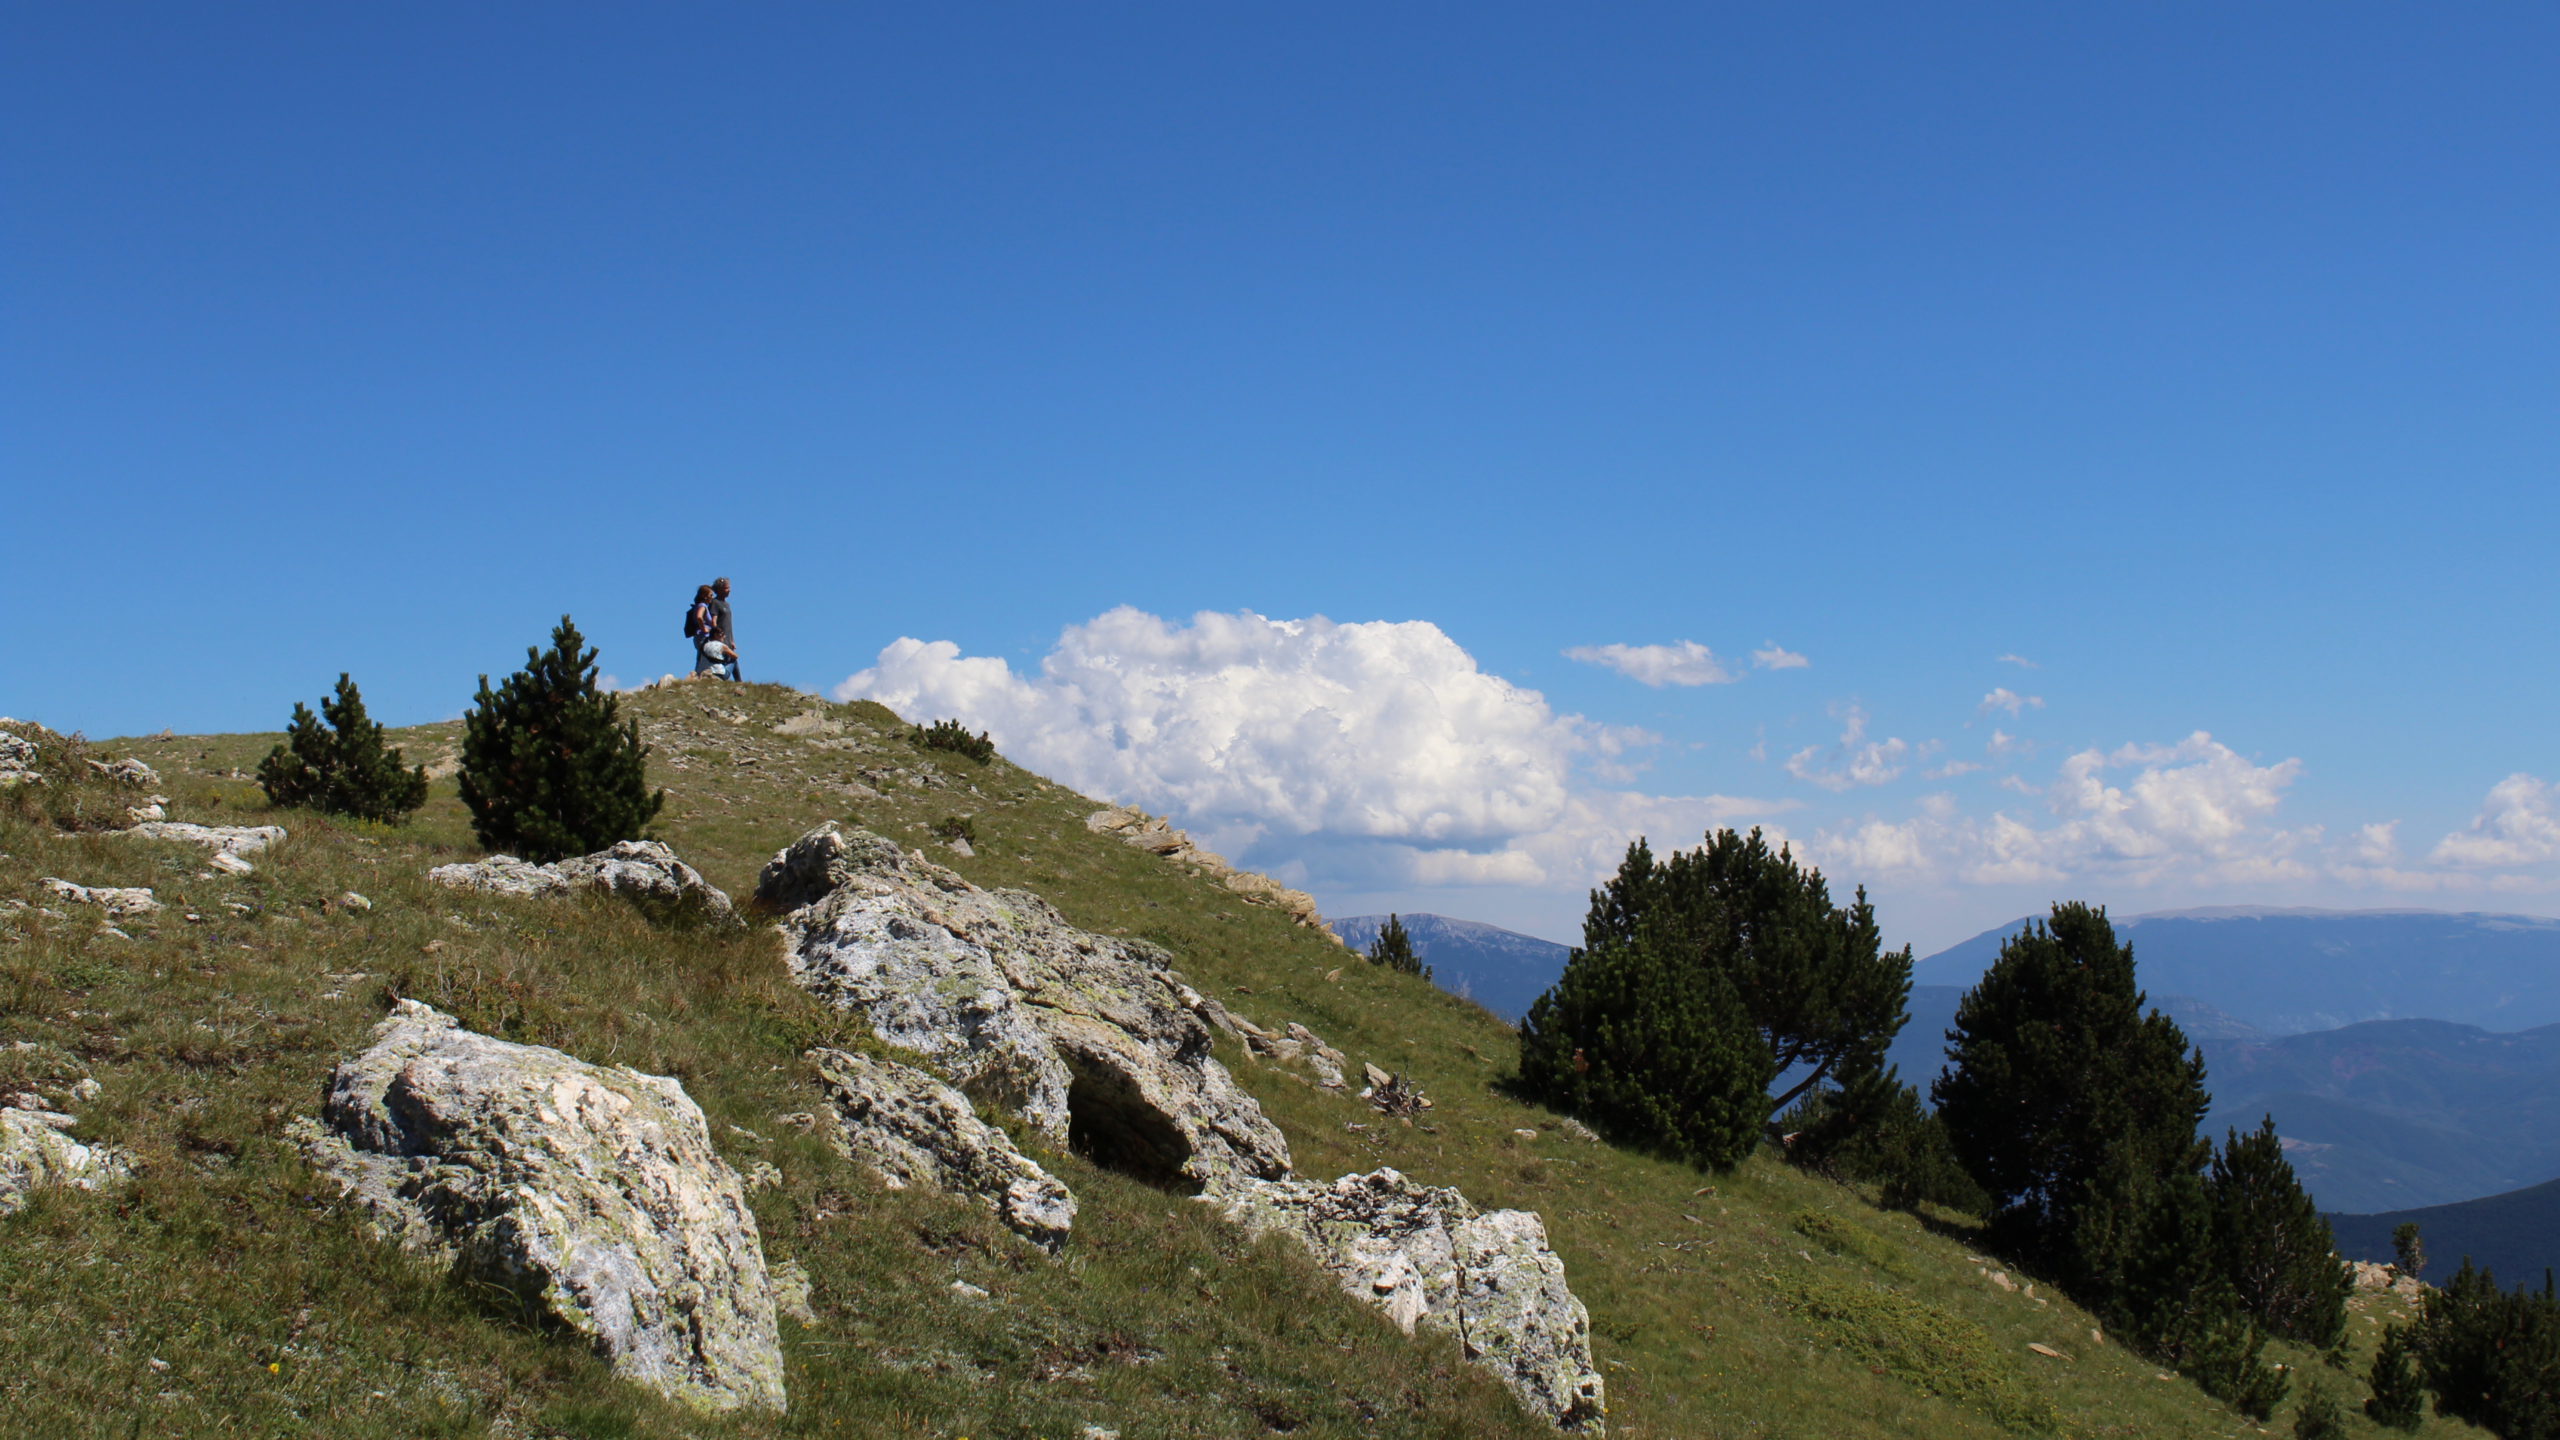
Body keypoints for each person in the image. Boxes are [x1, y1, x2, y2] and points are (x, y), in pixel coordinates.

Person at [686, 584, 722, 676]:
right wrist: (704, 628)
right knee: (705, 658)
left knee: (701, 658)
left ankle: (697, 675)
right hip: (703, 637)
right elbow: (699, 617)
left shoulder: (698, 605)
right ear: (704, 596)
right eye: (710, 595)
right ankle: (699, 676)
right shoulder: (702, 606)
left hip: (699, 637)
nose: (712, 597)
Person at [709, 576, 740, 681]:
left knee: (731, 659)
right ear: (720, 589)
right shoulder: (715, 603)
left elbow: (729, 624)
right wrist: (717, 636)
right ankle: (738, 682)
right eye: (726, 588)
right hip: (720, 637)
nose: (729, 590)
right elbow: (714, 621)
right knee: (730, 660)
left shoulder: (727, 604)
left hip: (727, 637)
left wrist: (732, 640)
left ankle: (738, 682)